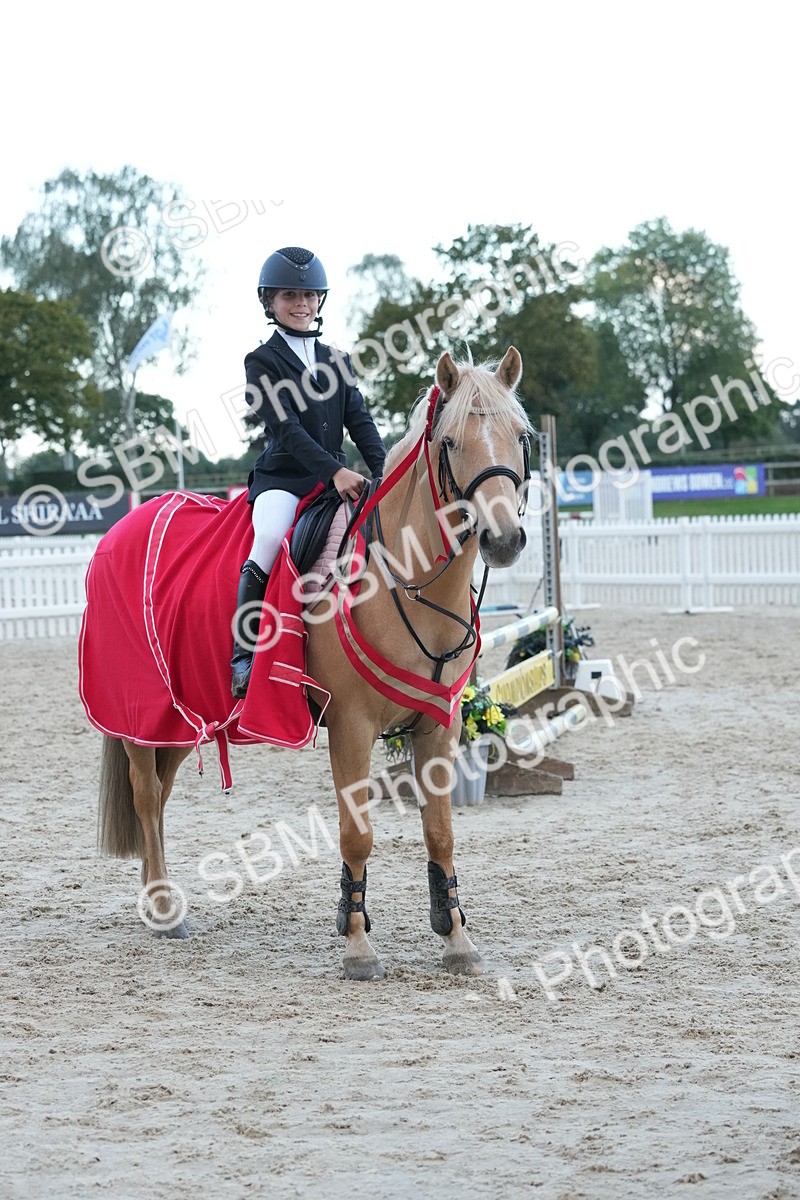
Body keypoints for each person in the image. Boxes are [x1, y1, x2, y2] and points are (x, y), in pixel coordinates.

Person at [231, 246, 386, 698]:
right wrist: (335, 472)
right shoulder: (261, 361)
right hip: (284, 478)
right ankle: (244, 654)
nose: (301, 304)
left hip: (334, 478)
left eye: (309, 295)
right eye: (289, 296)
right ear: (270, 302)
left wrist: (385, 470)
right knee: (268, 538)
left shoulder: (337, 359)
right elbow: (287, 430)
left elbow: (360, 421)